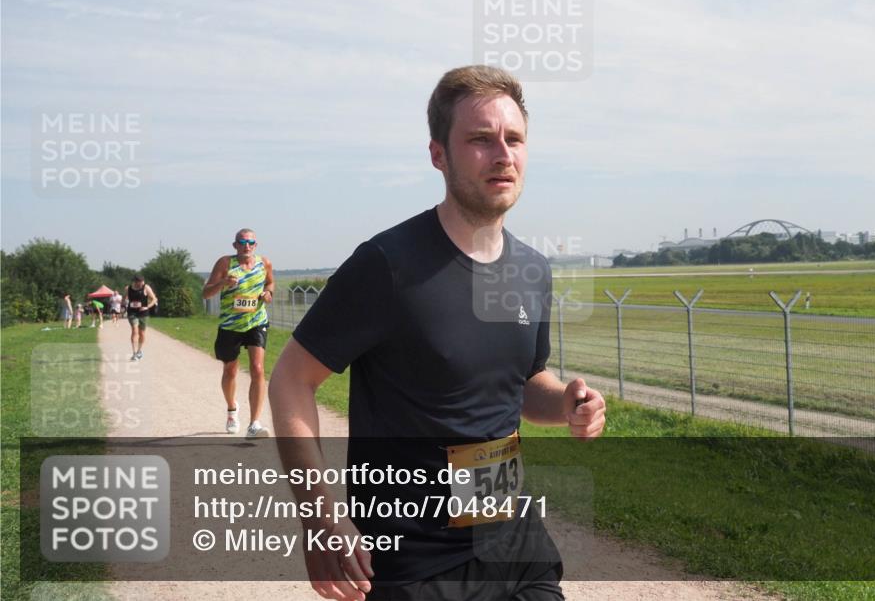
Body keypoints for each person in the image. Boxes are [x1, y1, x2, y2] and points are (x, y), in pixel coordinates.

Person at [269, 65, 606, 601]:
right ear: (438, 154)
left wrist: (564, 401)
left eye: (514, 139)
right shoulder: (388, 264)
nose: (503, 154)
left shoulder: (532, 270)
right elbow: (291, 378)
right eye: (479, 139)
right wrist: (320, 519)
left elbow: (523, 384)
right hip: (413, 562)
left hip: (514, 545)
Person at [202, 229, 275, 438]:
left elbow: (270, 282)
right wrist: (222, 283)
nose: (247, 246)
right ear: (235, 245)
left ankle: (254, 424)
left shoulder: (264, 263)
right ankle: (232, 409)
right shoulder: (225, 263)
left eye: (251, 242)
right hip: (230, 324)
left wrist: (268, 293)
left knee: (258, 369)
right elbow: (206, 293)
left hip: (256, 321)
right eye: (242, 242)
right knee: (230, 371)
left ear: (256, 245)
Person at [124, 275, 158, 361]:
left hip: (143, 313)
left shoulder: (146, 287)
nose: (142, 283)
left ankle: (139, 351)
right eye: (140, 282)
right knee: (134, 331)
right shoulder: (128, 288)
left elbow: (154, 299)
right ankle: (134, 353)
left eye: (142, 281)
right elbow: (126, 298)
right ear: (135, 282)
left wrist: (147, 307)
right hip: (132, 312)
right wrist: (125, 302)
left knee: (142, 333)